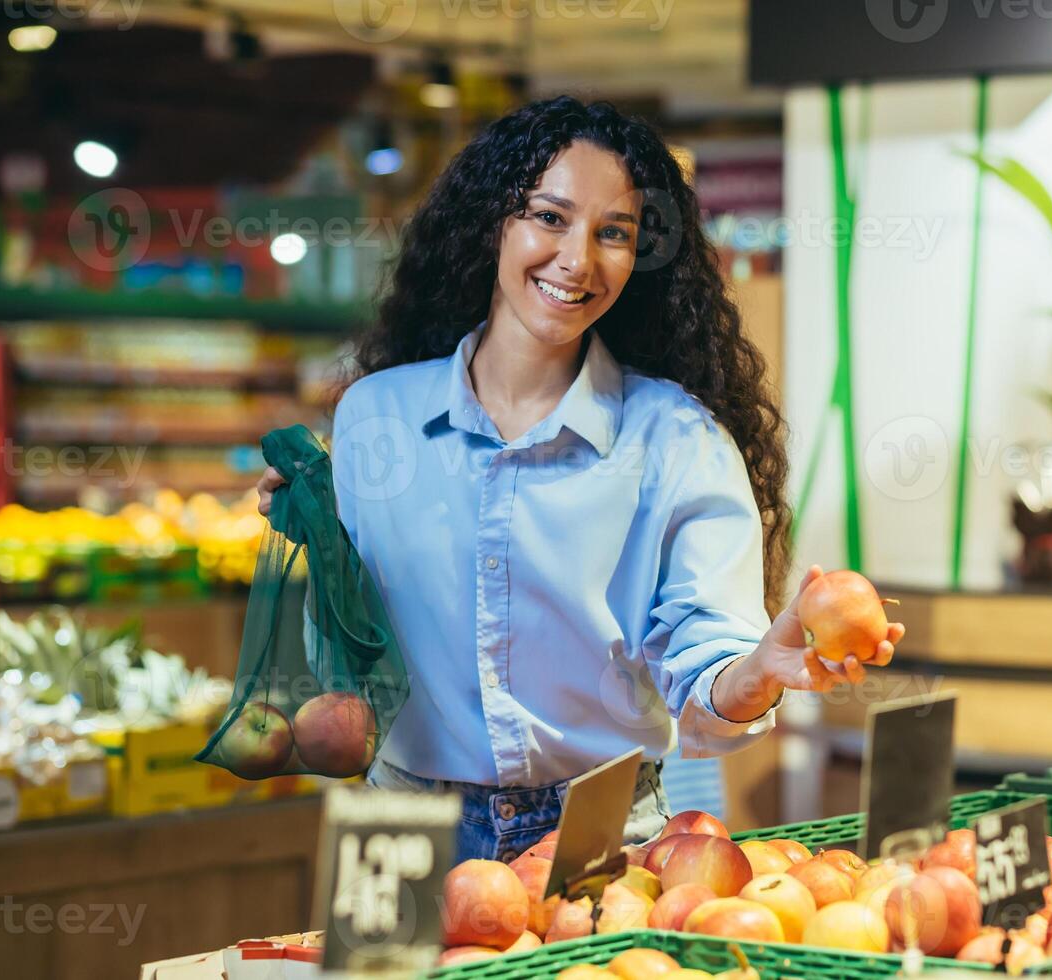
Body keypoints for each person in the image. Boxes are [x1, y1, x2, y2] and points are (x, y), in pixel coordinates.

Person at [258, 95, 903, 862]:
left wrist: (758, 669)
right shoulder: (376, 418)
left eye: (615, 234)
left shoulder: (677, 440)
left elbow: (703, 667)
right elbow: (355, 650)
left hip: (598, 837)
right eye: (550, 217)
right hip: (403, 828)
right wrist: (318, 538)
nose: (578, 259)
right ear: (494, 220)